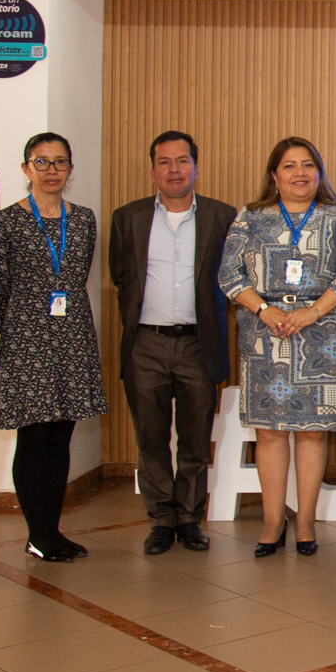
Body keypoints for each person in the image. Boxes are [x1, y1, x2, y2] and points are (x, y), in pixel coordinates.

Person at [219, 137, 336, 557]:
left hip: (322, 336)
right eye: (289, 166)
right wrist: (264, 310)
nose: (299, 173)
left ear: (319, 173)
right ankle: (270, 522)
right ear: (274, 176)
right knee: (268, 433)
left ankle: (305, 522)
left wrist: (311, 313)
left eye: (307, 165)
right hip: (266, 336)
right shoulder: (250, 217)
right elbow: (229, 277)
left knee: (313, 435)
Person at [0, 134, 108, 561]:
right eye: (42, 161)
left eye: (60, 162)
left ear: (70, 169)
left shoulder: (85, 219)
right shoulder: (6, 222)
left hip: (73, 339)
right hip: (26, 343)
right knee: (33, 441)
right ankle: (37, 535)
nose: (51, 170)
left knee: (60, 440)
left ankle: (52, 530)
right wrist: (21, 330)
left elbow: (76, 275)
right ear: (25, 168)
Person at [109, 131, 237, 556]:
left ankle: (189, 518)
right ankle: (161, 520)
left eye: (182, 161)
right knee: (150, 440)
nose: (174, 170)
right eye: (164, 162)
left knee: (196, 440)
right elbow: (121, 276)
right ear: (152, 171)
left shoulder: (222, 216)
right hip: (145, 343)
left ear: (195, 168)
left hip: (199, 343)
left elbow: (232, 277)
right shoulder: (128, 217)